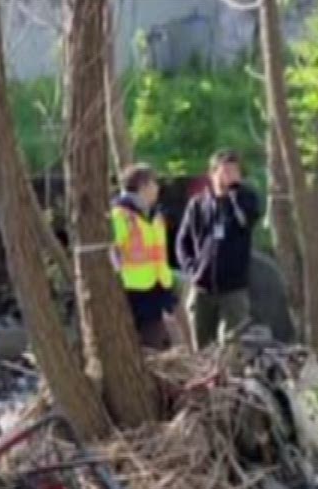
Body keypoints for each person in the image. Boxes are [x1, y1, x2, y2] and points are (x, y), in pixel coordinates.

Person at [177, 149, 264, 348]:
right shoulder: (198, 204)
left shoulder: (246, 199)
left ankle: (230, 376)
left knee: (232, 343)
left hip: (233, 287)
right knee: (201, 343)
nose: (231, 176)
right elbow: (183, 241)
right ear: (212, 173)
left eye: (235, 172)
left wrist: (234, 197)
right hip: (202, 286)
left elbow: (247, 222)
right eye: (226, 171)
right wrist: (192, 268)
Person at [109, 164, 182, 351]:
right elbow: (110, 250)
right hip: (132, 291)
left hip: (157, 287)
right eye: (154, 183)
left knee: (160, 343)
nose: (157, 188)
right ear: (143, 185)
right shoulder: (121, 215)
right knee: (142, 345)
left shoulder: (153, 215)